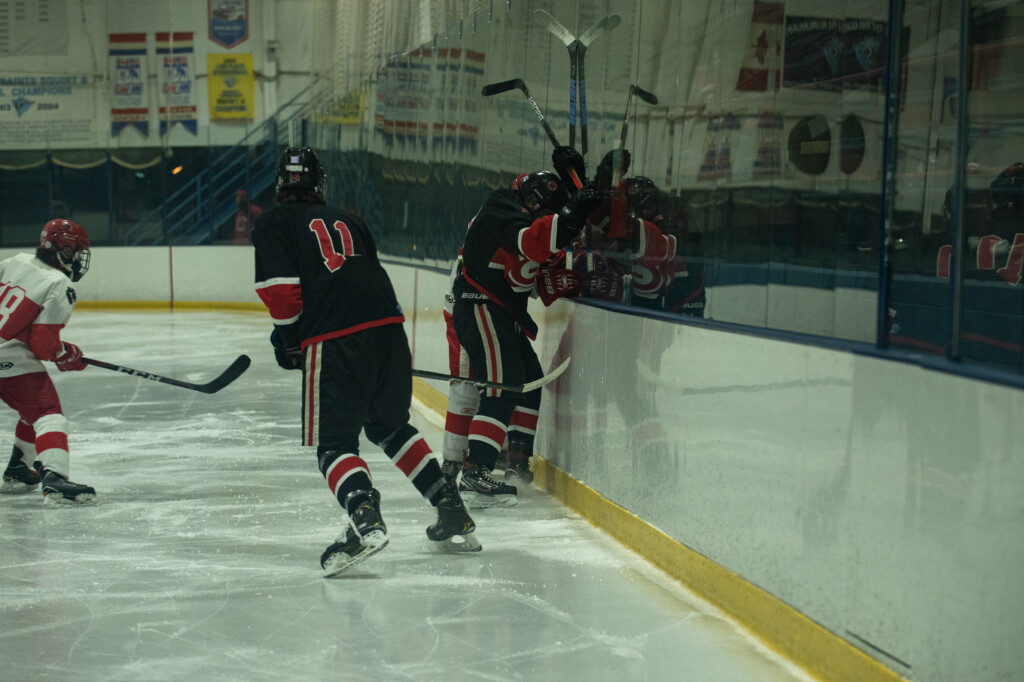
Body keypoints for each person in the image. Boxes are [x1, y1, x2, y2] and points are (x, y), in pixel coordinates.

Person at [252, 146, 479, 577]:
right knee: (390, 426)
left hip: (337, 338)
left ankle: (365, 518)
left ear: (280, 183)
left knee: (334, 445)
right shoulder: (350, 219)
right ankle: (450, 508)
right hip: (389, 329)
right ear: (319, 183)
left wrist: (288, 340)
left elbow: (282, 291)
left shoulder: (273, 221)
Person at [450, 147, 599, 506]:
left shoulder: (540, 220)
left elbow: (547, 282)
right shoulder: (501, 207)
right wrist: (572, 210)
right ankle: (475, 471)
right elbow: (534, 239)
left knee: (529, 383)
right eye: (531, 199)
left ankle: (515, 459)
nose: (534, 205)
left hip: (503, 313)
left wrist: (579, 188)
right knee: (503, 386)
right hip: (480, 304)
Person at [0, 219, 97, 505]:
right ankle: (55, 478)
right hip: (9, 360)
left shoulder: (15, 260)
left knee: (30, 410)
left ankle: (19, 470)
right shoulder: (58, 283)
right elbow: (43, 346)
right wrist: (65, 354)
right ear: (64, 249)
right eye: (77, 251)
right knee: (47, 414)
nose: (78, 258)